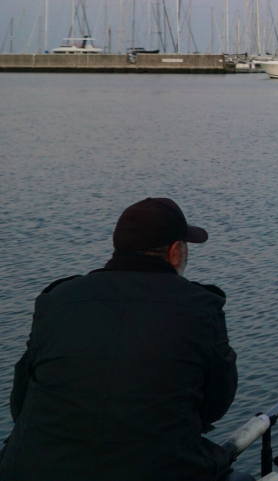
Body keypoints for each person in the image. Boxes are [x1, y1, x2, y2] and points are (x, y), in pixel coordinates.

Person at [0, 197, 248, 481]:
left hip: (29, 470)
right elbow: (215, 406)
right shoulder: (201, 308)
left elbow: (20, 404)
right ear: (175, 253)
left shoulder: (56, 301)